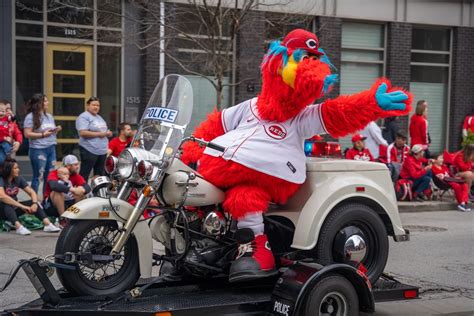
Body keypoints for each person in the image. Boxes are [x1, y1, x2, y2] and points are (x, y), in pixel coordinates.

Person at [0, 158, 59, 235]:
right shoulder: (1, 179)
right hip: (2, 209)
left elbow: (31, 192)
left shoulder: (18, 179)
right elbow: (2, 196)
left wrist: (34, 203)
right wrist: (22, 206)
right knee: (7, 204)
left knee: (31, 202)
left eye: (17, 167)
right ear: (8, 170)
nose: (18, 170)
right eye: (15, 168)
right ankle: (19, 227)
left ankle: (48, 224)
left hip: (13, 209)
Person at [23, 94, 62, 193]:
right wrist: (43, 134)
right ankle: (34, 200)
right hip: (38, 149)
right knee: (38, 176)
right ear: (38, 104)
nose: (47, 103)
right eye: (45, 101)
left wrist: (55, 130)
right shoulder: (30, 117)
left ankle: (46, 199)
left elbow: (49, 132)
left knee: (49, 176)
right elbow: (27, 134)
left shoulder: (49, 116)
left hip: (51, 148)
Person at [76, 97, 112, 182]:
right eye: (94, 105)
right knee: (85, 173)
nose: (96, 107)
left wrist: (107, 133)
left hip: (102, 151)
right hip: (89, 149)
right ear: (88, 105)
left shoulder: (99, 117)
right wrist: (100, 134)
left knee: (99, 175)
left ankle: (98, 193)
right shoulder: (83, 117)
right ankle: (81, 193)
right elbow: (82, 133)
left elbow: (103, 131)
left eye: (98, 105)